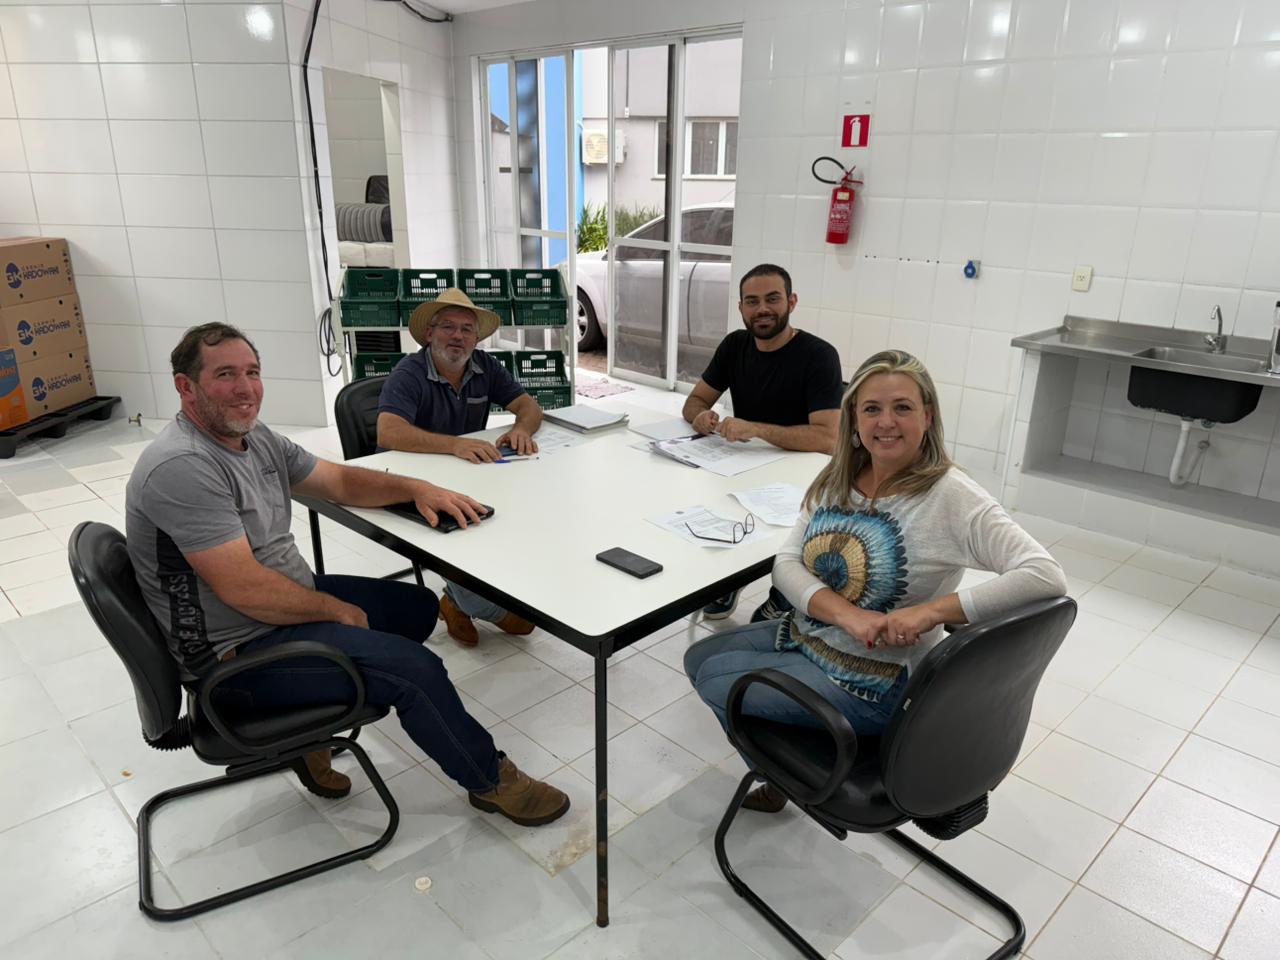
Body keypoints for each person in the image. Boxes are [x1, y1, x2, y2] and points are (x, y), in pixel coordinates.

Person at [125, 322, 569, 826]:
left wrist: (416, 488)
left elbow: (336, 480)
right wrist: (334, 610)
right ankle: (490, 780)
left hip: (273, 607)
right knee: (416, 671)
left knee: (418, 608)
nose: (246, 388)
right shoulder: (183, 465)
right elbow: (243, 588)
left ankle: (309, 734)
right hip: (235, 653)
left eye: (252, 372)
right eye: (225, 374)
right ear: (186, 387)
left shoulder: (253, 437)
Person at [683, 350, 1066, 812]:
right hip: (815, 635)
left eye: (902, 407)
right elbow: (786, 564)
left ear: (927, 416)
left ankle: (792, 782)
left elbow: (1044, 574)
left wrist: (931, 613)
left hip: (877, 681)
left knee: (716, 681)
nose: (886, 422)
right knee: (698, 657)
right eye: (872, 408)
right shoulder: (839, 476)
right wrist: (849, 616)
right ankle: (783, 774)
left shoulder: (951, 495)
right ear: (854, 419)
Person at [376, 288, 542, 648]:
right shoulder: (409, 373)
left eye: (467, 329)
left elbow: (529, 407)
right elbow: (388, 432)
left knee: (526, 505)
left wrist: (521, 430)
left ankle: (458, 599)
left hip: (466, 473)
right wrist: (454, 444)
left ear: (477, 339)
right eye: (448, 327)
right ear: (430, 333)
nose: (458, 336)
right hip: (412, 481)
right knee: (465, 525)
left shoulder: (485, 366)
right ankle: (473, 603)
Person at [682, 262, 844, 622]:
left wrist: (756, 429)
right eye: (752, 301)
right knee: (712, 502)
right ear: (741, 307)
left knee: (793, 534)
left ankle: (785, 593)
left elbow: (827, 438)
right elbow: (695, 400)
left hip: (803, 474)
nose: (762, 309)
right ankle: (729, 578)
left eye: (772, 299)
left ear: (791, 302)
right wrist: (700, 416)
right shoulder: (734, 345)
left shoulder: (819, 356)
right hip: (744, 464)